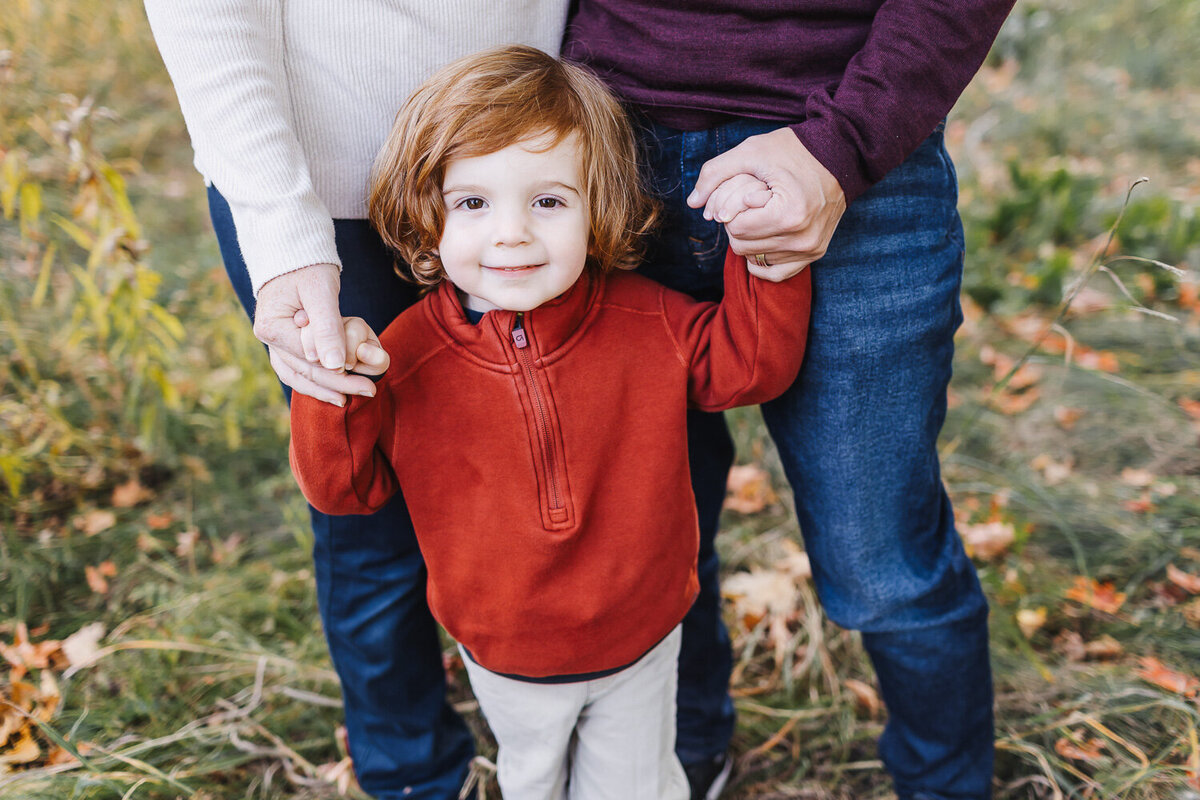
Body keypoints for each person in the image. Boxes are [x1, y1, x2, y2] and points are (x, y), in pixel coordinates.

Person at [287, 47, 813, 800]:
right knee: (533, 780)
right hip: (504, 652)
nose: (511, 235)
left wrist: (766, 259)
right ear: (425, 211)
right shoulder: (401, 356)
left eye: (549, 202)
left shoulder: (645, 317)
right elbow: (344, 492)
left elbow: (748, 367)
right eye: (473, 203)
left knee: (635, 784)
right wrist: (331, 386)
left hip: (641, 635)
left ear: (597, 206)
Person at [563, 3, 1017, 799]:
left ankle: (946, 783)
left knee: (881, 559)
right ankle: (685, 752)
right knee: (648, 541)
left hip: (852, 146)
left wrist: (841, 150)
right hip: (605, 153)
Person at [142, 4, 571, 798]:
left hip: (535, 174)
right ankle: (411, 770)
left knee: (563, 458)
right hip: (332, 197)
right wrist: (283, 233)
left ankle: (606, 729)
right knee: (370, 511)